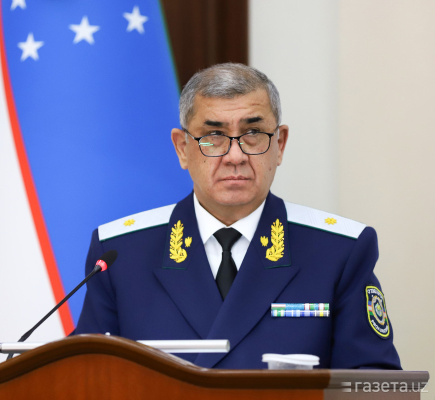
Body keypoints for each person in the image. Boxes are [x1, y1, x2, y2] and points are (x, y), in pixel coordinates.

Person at [73, 63, 401, 370]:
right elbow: (84, 379)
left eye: (253, 133)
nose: (235, 156)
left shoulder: (338, 252)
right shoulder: (121, 254)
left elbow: (373, 383)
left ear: (280, 144)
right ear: (182, 148)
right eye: (213, 136)